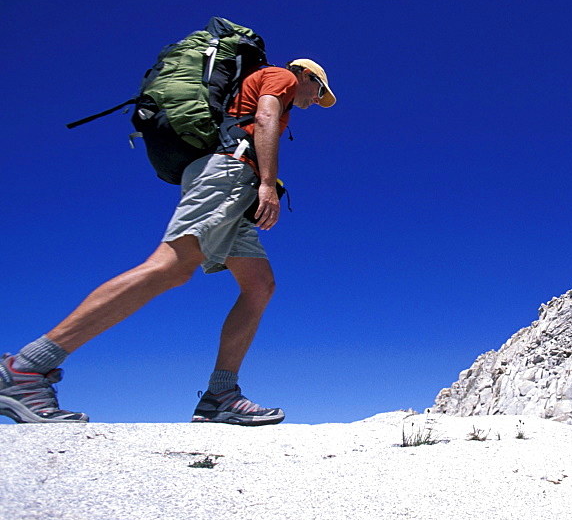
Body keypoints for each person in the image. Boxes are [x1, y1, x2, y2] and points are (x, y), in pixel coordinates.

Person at [0, 59, 336, 426]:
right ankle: (27, 368)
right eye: (319, 91)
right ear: (306, 75)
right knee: (170, 267)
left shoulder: (270, 83)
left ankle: (220, 397)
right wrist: (268, 184)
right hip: (228, 173)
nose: (316, 100)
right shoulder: (282, 76)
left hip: (234, 183)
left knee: (259, 285)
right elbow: (267, 119)